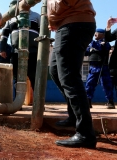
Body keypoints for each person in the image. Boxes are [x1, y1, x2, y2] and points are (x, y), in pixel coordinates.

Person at [47, 0, 97, 148]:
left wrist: (53, 18)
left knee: (69, 77)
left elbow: (61, 3)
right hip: (68, 23)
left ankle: (85, 133)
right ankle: (75, 117)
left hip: (74, 23)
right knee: (55, 71)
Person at [0, 9, 40, 100]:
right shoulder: (11, 18)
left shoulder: (37, 17)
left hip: (33, 52)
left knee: (34, 77)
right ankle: (18, 101)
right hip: (16, 52)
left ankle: (38, 103)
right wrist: (2, 48)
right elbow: (4, 34)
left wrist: (44, 50)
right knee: (17, 77)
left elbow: (43, 33)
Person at [85, 29, 115, 109]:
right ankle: (88, 101)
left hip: (103, 67)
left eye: (97, 33)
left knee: (106, 85)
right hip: (93, 67)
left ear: (102, 35)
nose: (95, 34)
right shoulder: (92, 44)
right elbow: (86, 52)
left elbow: (99, 47)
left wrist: (89, 41)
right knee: (89, 84)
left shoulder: (106, 43)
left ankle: (110, 102)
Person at [105, 17, 117, 108]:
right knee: (111, 82)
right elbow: (108, 38)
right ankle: (110, 102)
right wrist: (108, 26)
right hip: (115, 63)